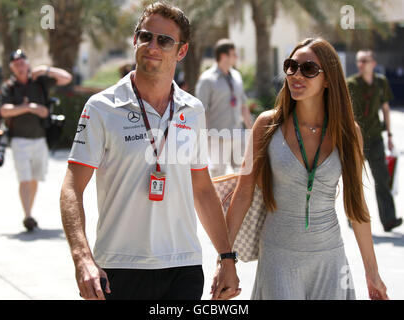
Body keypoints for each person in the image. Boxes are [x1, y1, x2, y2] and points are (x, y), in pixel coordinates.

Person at [60, 2, 240, 300]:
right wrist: (82, 258)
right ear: (135, 40)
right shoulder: (101, 107)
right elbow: (71, 186)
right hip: (119, 267)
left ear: (181, 51)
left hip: (184, 266)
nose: (152, 46)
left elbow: (203, 189)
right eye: (145, 36)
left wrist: (227, 258)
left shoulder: (193, 110)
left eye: (164, 40)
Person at [225, 38, 388, 300]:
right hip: (278, 257)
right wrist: (225, 259)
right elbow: (243, 193)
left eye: (308, 69)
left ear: (327, 79)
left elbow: (357, 209)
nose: (296, 75)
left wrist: (372, 272)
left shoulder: (348, 133)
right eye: (291, 67)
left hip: (331, 261)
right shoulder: (268, 125)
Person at [0, 49, 72, 231]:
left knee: (34, 178)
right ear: (12, 68)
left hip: (40, 139)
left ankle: (29, 211)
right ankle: (28, 215)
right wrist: (29, 107)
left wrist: (45, 69)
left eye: (23, 62)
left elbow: (66, 78)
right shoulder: (9, 86)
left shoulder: (39, 82)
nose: (20, 67)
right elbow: (4, 110)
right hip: (19, 140)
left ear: (27, 63)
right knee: (24, 178)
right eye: (16, 65)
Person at [347, 50, 402, 232]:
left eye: (365, 60)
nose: (361, 64)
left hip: (376, 138)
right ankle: (353, 217)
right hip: (356, 139)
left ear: (373, 62)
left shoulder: (381, 82)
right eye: (359, 61)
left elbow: (385, 108)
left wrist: (390, 135)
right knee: (354, 180)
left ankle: (388, 220)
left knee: (382, 179)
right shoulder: (352, 84)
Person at [195, 39, 253, 177]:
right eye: (233, 54)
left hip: (238, 134)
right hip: (217, 137)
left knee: (243, 175)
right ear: (223, 56)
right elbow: (200, 111)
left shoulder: (237, 76)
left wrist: (251, 130)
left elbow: (243, 104)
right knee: (218, 177)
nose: (236, 57)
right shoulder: (207, 79)